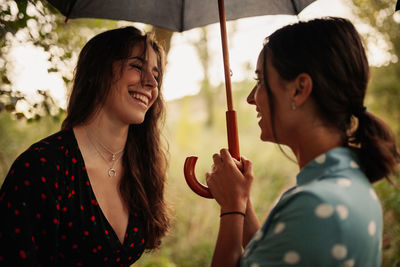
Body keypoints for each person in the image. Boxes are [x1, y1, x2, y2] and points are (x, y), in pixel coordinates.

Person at [205, 17, 400, 267]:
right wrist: (241, 201)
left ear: (299, 89)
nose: (251, 99)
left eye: (261, 82)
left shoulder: (316, 205)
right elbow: (274, 253)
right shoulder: (346, 181)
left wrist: (232, 208)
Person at [0, 26, 170, 266]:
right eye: (137, 66)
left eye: (156, 75)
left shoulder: (140, 167)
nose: (151, 83)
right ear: (98, 72)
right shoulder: (40, 168)